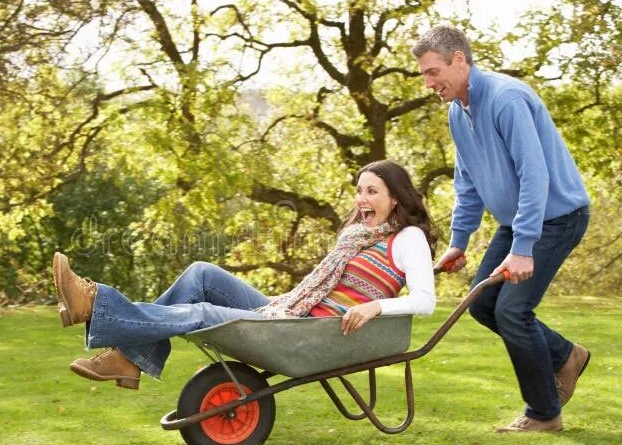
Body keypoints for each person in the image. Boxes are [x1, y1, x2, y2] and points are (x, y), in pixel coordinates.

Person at [52, 160, 437, 390]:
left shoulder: (407, 238)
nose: (362, 200)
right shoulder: (359, 235)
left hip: (311, 334)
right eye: (359, 191)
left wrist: (374, 308)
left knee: (202, 311)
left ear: (396, 198)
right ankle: (129, 357)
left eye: (372, 191)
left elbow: (425, 299)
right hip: (292, 316)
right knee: (201, 274)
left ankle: (96, 304)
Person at [412, 25, 591, 433]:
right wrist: (459, 242)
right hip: (519, 222)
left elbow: (534, 175)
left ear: (459, 60)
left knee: (513, 310)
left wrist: (524, 246)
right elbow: (468, 182)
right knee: (483, 306)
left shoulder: (506, 99)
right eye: (424, 74)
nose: (428, 83)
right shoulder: (458, 112)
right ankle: (566, 356)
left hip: (558, 217)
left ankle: (544, 414)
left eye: (433, 71)